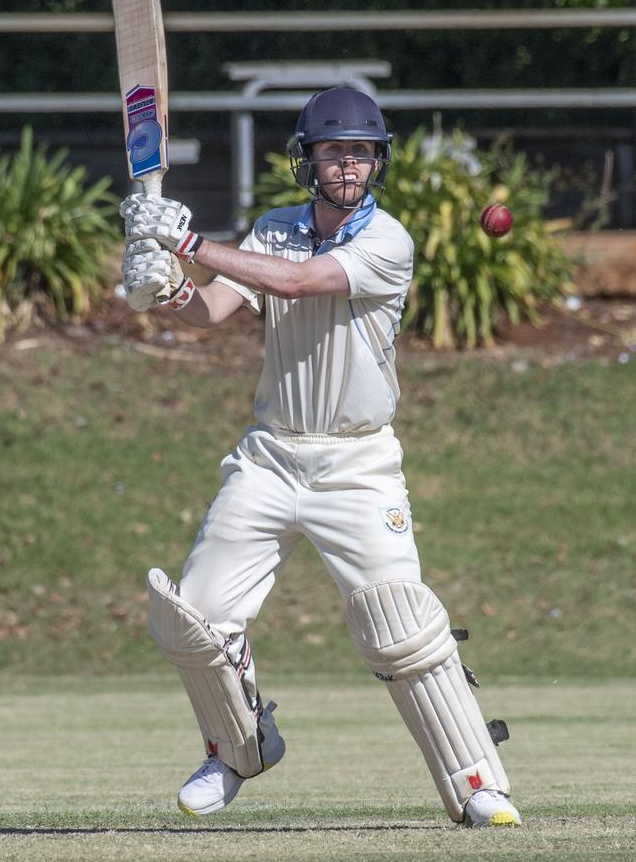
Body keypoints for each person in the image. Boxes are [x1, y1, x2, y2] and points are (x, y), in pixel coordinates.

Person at [120, 87, 522, 829]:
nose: (348, 165)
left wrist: (186, 244)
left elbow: (302, 283)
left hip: (358, 466)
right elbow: (220, 307)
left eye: (362, 152)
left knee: (401, 625)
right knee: (198, 617)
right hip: (271, 458)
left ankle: (474, 783)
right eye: (334, 151)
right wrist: (168, 288)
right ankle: (236, 752)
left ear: (378, 161)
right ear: (309, 160)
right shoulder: (274, 229)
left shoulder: (387, 242)